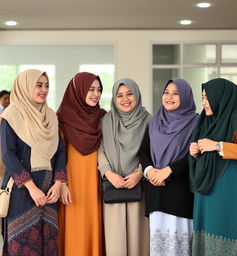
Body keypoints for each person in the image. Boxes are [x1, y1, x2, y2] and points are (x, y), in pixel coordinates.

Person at [0, 69, 67, 255]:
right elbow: (8, 155)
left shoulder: (51, 116)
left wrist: (59, 183)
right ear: (25, 87)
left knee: (49, 243)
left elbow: (60, 151)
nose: (43, 90)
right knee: (21, 245)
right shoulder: (11, 116)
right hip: (22, 191)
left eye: (46, 85)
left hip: (49, 190)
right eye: (38, 85)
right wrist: (31, 187)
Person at [189, 78, 237, 256]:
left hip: (229, 184)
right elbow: (203, 147)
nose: (203, 103)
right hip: (206, 187)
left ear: (221, 97)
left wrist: (218, 146)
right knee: (207, 229)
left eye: (207, 98)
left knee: (226, 227)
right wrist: (195, 151)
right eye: (202, 97)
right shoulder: (207, 120)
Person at [139, 78, 198, 256]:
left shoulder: (196, 123)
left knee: (180, 246)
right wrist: (150, 171)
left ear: (186, 96)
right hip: (156, 190)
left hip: (180, 192)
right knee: (159, 248)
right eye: (166, 92)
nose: (169, 97)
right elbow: (144, 151)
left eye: (175, 93)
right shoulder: (155, 121)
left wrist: (169, 169)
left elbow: (196, 155)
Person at [98, 78, 151, 256]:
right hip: (113, 185)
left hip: (139, 186)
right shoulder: (106, 120)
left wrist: (138, 174)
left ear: (137, 95)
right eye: (119, 95)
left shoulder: (149, 120)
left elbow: (153, 151)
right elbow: (100, 148)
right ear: (114, 98)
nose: (125, 99)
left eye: (129, 94)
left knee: (138, 238)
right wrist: (108, 173)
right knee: (115, 241)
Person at [57, 72, 106, 256]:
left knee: (94, 227)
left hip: (96, 184)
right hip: (71, 185)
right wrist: (61, 183)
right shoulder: (62, 118)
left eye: (99, 90)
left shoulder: (102, 117)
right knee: (74, 232)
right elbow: (57, 156)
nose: (96, 94)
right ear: (78, 91)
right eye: (91, 89)